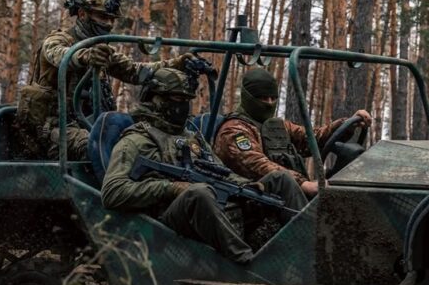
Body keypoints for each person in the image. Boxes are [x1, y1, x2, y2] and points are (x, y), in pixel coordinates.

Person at [101, 68, 307, 264]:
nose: (182, 106)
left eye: (186, 100)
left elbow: (219, 172)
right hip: (168, 224)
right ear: (156, 99)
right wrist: (170, 188)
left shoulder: (192, 138)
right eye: (176, 99)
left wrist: (246, 186)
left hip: (216, 212)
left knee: (280, 179)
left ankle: (309, 249)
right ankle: (248, 265)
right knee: (199, 193)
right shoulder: (136, 139)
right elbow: (112, 191)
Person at [16, 0, 190, 159]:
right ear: (82, 14)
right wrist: (85, 56)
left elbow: (136, 72)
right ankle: (114, 186)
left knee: (139, 141)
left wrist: (178, 63)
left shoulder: (101, 50)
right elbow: (61, 55)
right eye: (102, 17)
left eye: (111, 19)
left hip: (88, 122)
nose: (108, 24)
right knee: (97, 146)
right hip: (54, 126)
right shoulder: (58, 40)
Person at [214, 68, 372, 197]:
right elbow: (256, 164)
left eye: (273, 98)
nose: (269, 103)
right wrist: (302, 183)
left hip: (285, 198)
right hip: (252, 201)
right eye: (263, 98)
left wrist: (348, 124)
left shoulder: (277, 127)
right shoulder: (234, 130)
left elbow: (312, 139)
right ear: (247, 97)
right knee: (282, 179)